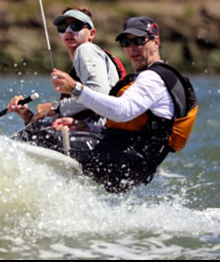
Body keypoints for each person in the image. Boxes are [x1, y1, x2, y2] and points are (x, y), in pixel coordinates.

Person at [49, 16, 198, 193]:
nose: (132, 48)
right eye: (126, 43)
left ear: (155, 42)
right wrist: (87, 127)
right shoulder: (157, 75)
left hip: (124, 160)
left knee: (45, 138)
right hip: (131, 164)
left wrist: (75, 89)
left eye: (139, 41)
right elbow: (138, 129)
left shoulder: (153, 78)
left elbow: (121, 111)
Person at [8, 7, 125, 127]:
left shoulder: (85, 49)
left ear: (92, 34)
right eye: (63, 27)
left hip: (102, 135)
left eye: (76, 26)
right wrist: (26, 115)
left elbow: (100, 94)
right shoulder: (83, 61)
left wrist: (56, 107)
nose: (68, 31)